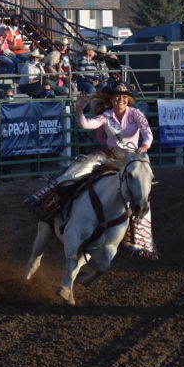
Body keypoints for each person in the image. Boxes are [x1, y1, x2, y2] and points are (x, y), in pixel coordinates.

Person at [26, 83, 156, 254]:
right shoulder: (107, 116)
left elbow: (147, 132)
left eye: (124, 97)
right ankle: (44, 195)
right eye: (117, 96)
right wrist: (79, 110)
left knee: (142, 192)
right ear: (111, 99)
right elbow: (86, 124)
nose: (121, 99)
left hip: (132, 157)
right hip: (109, 155)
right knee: (78, 168)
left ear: (128, 100)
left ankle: (140, 242)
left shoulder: (136, 114)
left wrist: (145, 145)